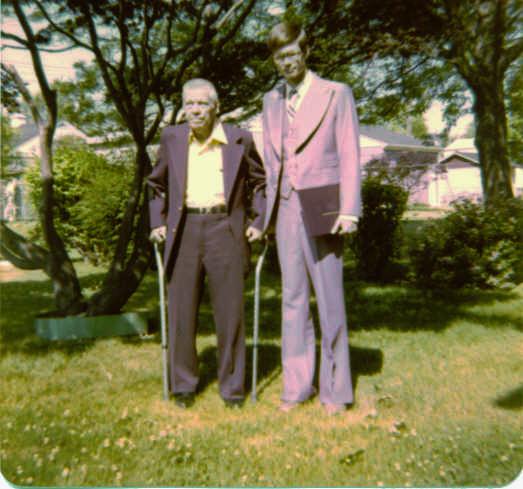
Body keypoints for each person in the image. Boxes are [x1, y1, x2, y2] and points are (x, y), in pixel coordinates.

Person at [262, 22, 361, 415]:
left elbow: (350, 152)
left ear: (305, 53)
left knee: (330, 298)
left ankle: (335, 390)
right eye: (278, 56)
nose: (286, 62)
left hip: (324, 202)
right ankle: (296, 385)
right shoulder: (270, 100)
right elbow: (272, 160)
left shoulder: (336, 93)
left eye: (291, 54)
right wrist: (267, 214)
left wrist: (349, 209)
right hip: (285, 206)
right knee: (292, 298)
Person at [148, 78, 266, 409]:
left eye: (201, 103)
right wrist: (157, 221)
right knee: (181, 311)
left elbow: (260, 183)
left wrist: (258, 222)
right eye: (189, 104)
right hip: (183, 230)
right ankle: (183, 385)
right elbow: (155, 185)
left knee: (230, 313)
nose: (194, 110)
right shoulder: (172, 137)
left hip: (225, 229)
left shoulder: (238, 138)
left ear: (216, 106)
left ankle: (232, 388)